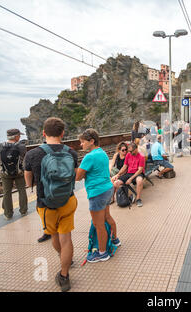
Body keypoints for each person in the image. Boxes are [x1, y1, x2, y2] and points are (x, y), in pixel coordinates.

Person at [23, 117, 78, 292]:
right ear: (62, 133)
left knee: (54, 236)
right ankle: (64, 275)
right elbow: (75, 176)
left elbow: (28, 179)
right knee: (66, 237)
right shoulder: (71, 152)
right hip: (68, 200)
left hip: (46, 204)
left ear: (44, 133)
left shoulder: (32, 154)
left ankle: (64, 260)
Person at [76, 129, 119, 263]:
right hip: (107, 189)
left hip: (97, 193)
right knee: (107, 217)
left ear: (91, 141)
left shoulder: (89, 157)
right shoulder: (102, 153)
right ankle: (115, 240)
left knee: (98, 224)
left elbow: (78, 177)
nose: (81, 145)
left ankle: (102, 253)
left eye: (83, 142)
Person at [0, 129, 28, 220]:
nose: (20, 137)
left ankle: (8, 214)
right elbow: (23, 157)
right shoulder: (21, 146)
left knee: (6, 192)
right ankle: (23, 210)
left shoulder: (0, 146)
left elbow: (0, 156)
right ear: (16, 136)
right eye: (19, 135)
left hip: (5, 173)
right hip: (19, 172)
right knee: (21, 190)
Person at [111, 142, 145, 207]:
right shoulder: (128, 154)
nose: (130, 153)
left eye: (131, 151)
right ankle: (126, 197)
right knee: (116, 183)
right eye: (129, 151)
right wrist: (118, 174)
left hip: (138, 173)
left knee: (139, 180)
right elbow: (125, 166)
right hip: (129, 173)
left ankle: (138, 199)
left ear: (136, 149)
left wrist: (130, 179)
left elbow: (140, 170)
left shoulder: (141, 156)